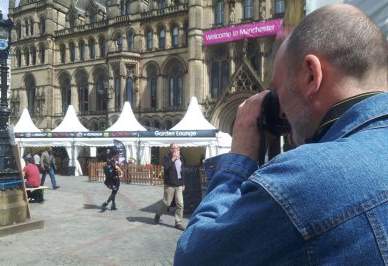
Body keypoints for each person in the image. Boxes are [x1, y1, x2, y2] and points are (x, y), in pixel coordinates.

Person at [175, 4, 388, 265]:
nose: (280, 107)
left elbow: (193, 258)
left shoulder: (302, 180)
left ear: (311, 76)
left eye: (277, 90)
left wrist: (239, 158)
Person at [154, 143, 185, 231]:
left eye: (177, 148)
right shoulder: (167, 157)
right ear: (170, 149)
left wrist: (183, 184)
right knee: (166, 203)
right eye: (173, 148)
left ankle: (178, 223)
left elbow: (183, 172)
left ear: (179, 149)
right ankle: (158, 214)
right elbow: (166, 167)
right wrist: (174, 158)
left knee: (180, 204)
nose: (175, 149)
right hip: (170, 185)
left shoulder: (181, 158)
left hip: (179, 185)